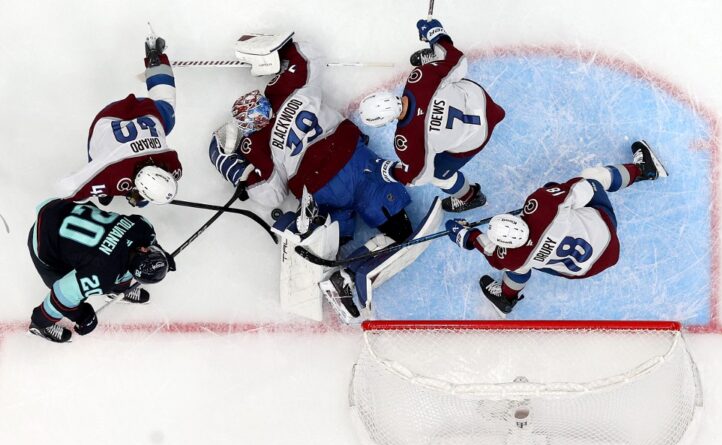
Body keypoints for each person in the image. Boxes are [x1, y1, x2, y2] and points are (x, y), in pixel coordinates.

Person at [208, 32, 418, 320]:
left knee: (332, 242)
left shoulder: (256, 146)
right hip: (357, 166)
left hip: (321, 192)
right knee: (401, 231)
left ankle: (330, 263)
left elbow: (270, 194)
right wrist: (275, 51)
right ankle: (348, 273)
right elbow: (309, 56)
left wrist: (234, 169)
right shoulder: (287, 91)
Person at [445, 141, 667, 315]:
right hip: (605, 234)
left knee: (520, 266)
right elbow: (582, 187)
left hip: (584, 269)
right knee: (591, 177)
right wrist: (556, 193)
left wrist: (465, 235)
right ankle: (643, 170)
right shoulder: (543, 206)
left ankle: (506, 297)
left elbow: (485, 247)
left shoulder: (509, 256)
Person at [358, 18, 506, 213]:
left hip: (476, 136)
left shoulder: (407, 141)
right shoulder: (419, 78)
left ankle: (470, 197)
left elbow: (420, 176)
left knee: (438, 175)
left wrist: (387, 170)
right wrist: (437, 36)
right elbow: (458, 61)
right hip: (482, 101)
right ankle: (436, 62)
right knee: (443, 75)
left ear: (383, 123)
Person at [58, 34, 182, 207]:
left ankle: (155, 58)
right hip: (108, 119)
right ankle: (102, 188)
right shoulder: (109, 171)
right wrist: (94, 188)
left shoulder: (174, 166)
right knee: (97, 159)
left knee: (166, 107)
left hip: (143, 111)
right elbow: (66, 189)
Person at [28, 199, 175, 342]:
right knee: (67, 298)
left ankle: (117, 290)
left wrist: (160, 255)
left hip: (59, 207)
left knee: (120, 261)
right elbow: (62, 292)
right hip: (42, 240)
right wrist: (81, 315)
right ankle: (40, 324)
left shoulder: (143, 227)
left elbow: (147, 244)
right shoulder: (102, 275)